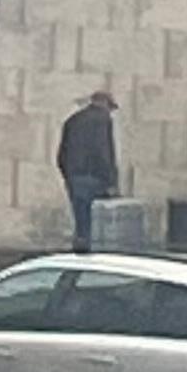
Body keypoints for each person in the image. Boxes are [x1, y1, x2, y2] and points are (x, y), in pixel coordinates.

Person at [57, 87, 120, 254]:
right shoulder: (102, 120)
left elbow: (62, 153)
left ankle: (79, 251)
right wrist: (111, 180)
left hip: (74, 177)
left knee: (80, 220)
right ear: (105, 104)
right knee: (98, 223)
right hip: (94, 177)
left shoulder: (73, 120)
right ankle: (91, 256)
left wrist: (68, 175)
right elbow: (103, 151)